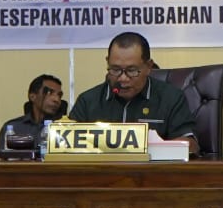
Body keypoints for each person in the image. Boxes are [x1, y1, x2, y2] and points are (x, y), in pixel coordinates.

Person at [69, 31, 199, 155]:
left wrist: (146, 147)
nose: (123, 78)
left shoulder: (171, 98)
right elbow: (65, 147)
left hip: (153, 170)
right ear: (107, 62)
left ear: (149, 66)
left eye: (131, 70)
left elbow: (190, 146)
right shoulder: (88, 101)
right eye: (115, 69)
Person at [0, 73, 66, 150]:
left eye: (59, 95)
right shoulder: (13, 128)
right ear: (33, 97)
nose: (56, 99)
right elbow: (4, 156)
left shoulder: (64, 129)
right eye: (49, 93)